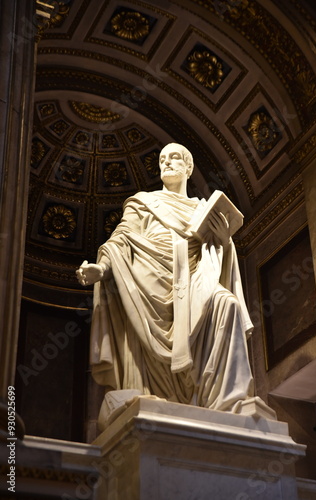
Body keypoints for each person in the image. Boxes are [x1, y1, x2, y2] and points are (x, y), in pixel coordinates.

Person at [76, 143, 254, 413]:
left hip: (195, 278)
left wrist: (222, 239)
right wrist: (100, 269)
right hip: (147, 283)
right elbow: (121, 241)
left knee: (227, 304)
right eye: (162, 159)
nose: (167, 163)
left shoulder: (201, 208)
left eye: (174, 158)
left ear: (189, 167)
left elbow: (220, 251)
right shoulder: (143, 202)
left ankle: (229, 401)